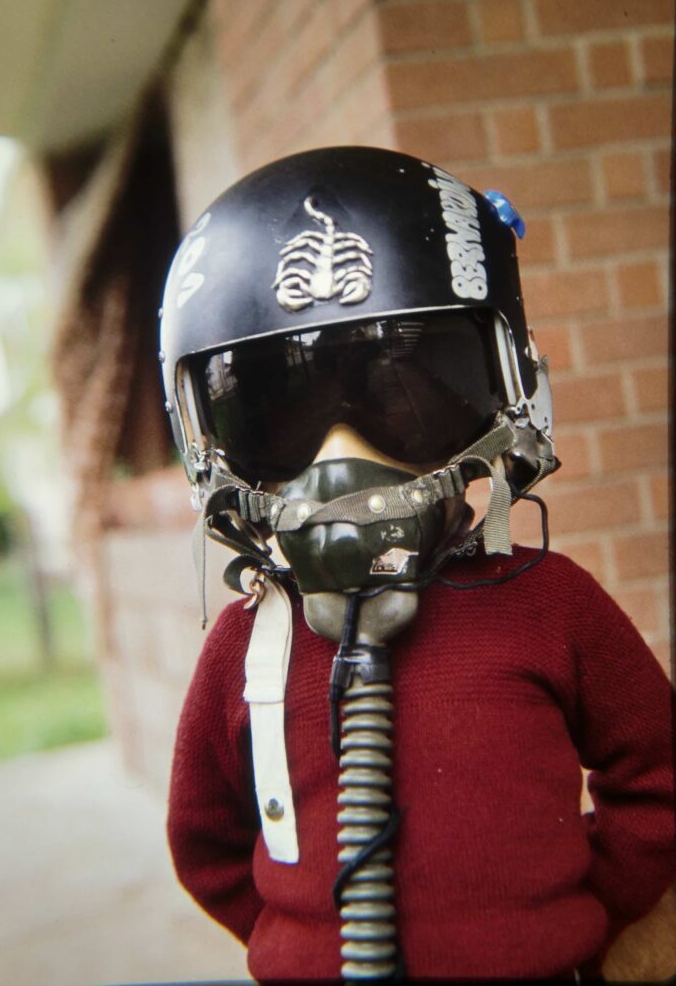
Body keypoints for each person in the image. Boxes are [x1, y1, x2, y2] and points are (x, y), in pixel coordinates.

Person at [160, 147, 675, 982]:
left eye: (400, 396)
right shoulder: (243, 648)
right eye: (281, 412)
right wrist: (299, 946)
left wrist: (580, 911)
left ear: (508, 387)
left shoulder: (549, 603)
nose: (343, 462)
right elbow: (206, 841)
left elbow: (659, 771)